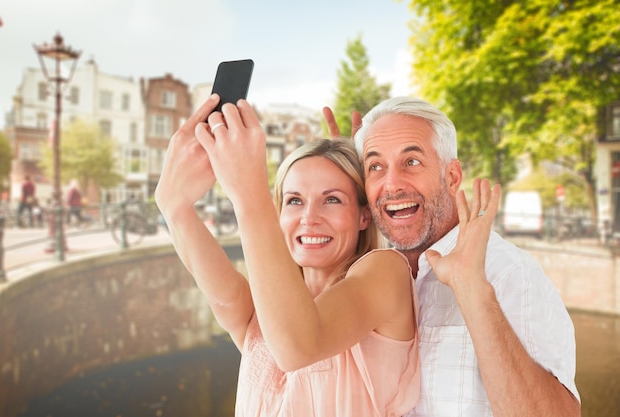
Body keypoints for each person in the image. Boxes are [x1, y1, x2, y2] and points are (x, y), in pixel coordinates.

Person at [156, 94, 425, 416]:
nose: (309, 218)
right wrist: (173, 205)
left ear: (363, 216)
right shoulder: (264, 311)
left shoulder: (385, 271)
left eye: (333, 200)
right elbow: (224, 298)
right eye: (294, 200)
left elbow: (299, 346)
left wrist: (248, 193)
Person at [323, 96, 581, 417]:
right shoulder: (373, 275)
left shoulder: (509, 273)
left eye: (412, 162)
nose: (391, 184)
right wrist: (337, 191)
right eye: (375, 166)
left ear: (452, 177)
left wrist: (472, 290)